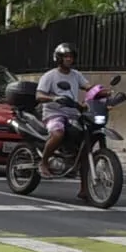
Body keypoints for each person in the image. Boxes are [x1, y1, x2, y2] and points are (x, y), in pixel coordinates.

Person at [36, 42, 92, 195]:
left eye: (71, 57)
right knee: (58, 133)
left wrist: (102, 92)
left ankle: (85, 189)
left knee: (84, 147)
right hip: (54, 114)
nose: (69, 59)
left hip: (73, 114)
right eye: (66, 57)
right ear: (58, 58)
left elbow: (88, 87)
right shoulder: (50, 76)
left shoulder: (76, 75)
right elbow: (39, 95)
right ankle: (44, 162)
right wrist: (53, 99)